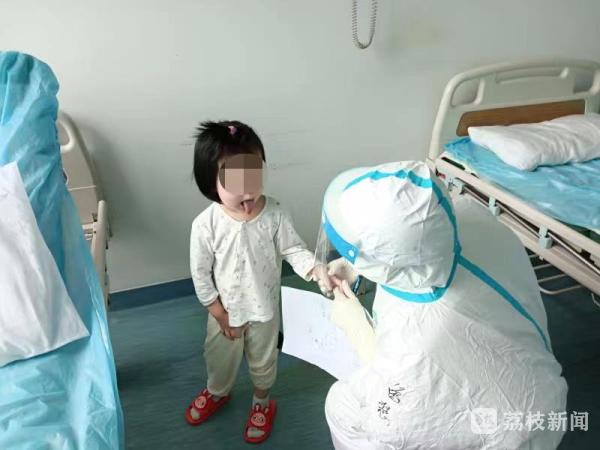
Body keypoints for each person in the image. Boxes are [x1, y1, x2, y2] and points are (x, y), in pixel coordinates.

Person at [315, 160, 567, 449]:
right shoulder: (470, 215)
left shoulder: (418, 337)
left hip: (511, 437)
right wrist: (356, 266)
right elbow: (414, 248)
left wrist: (358, 331)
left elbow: (391, 416)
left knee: (342, 407)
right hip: (541, 391)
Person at [186, 120, 331, 443]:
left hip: (264, 312)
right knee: (219, 359)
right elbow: (201, 273)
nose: (248, 191)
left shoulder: (275, 214)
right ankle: (217, 391)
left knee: (263, 363)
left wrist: (316, 269)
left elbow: (293, 249)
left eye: (253, 176)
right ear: (211, 182)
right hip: (224, 313)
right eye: (234, 181)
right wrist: (218, 312)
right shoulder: (206, 225)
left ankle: (262, 401)